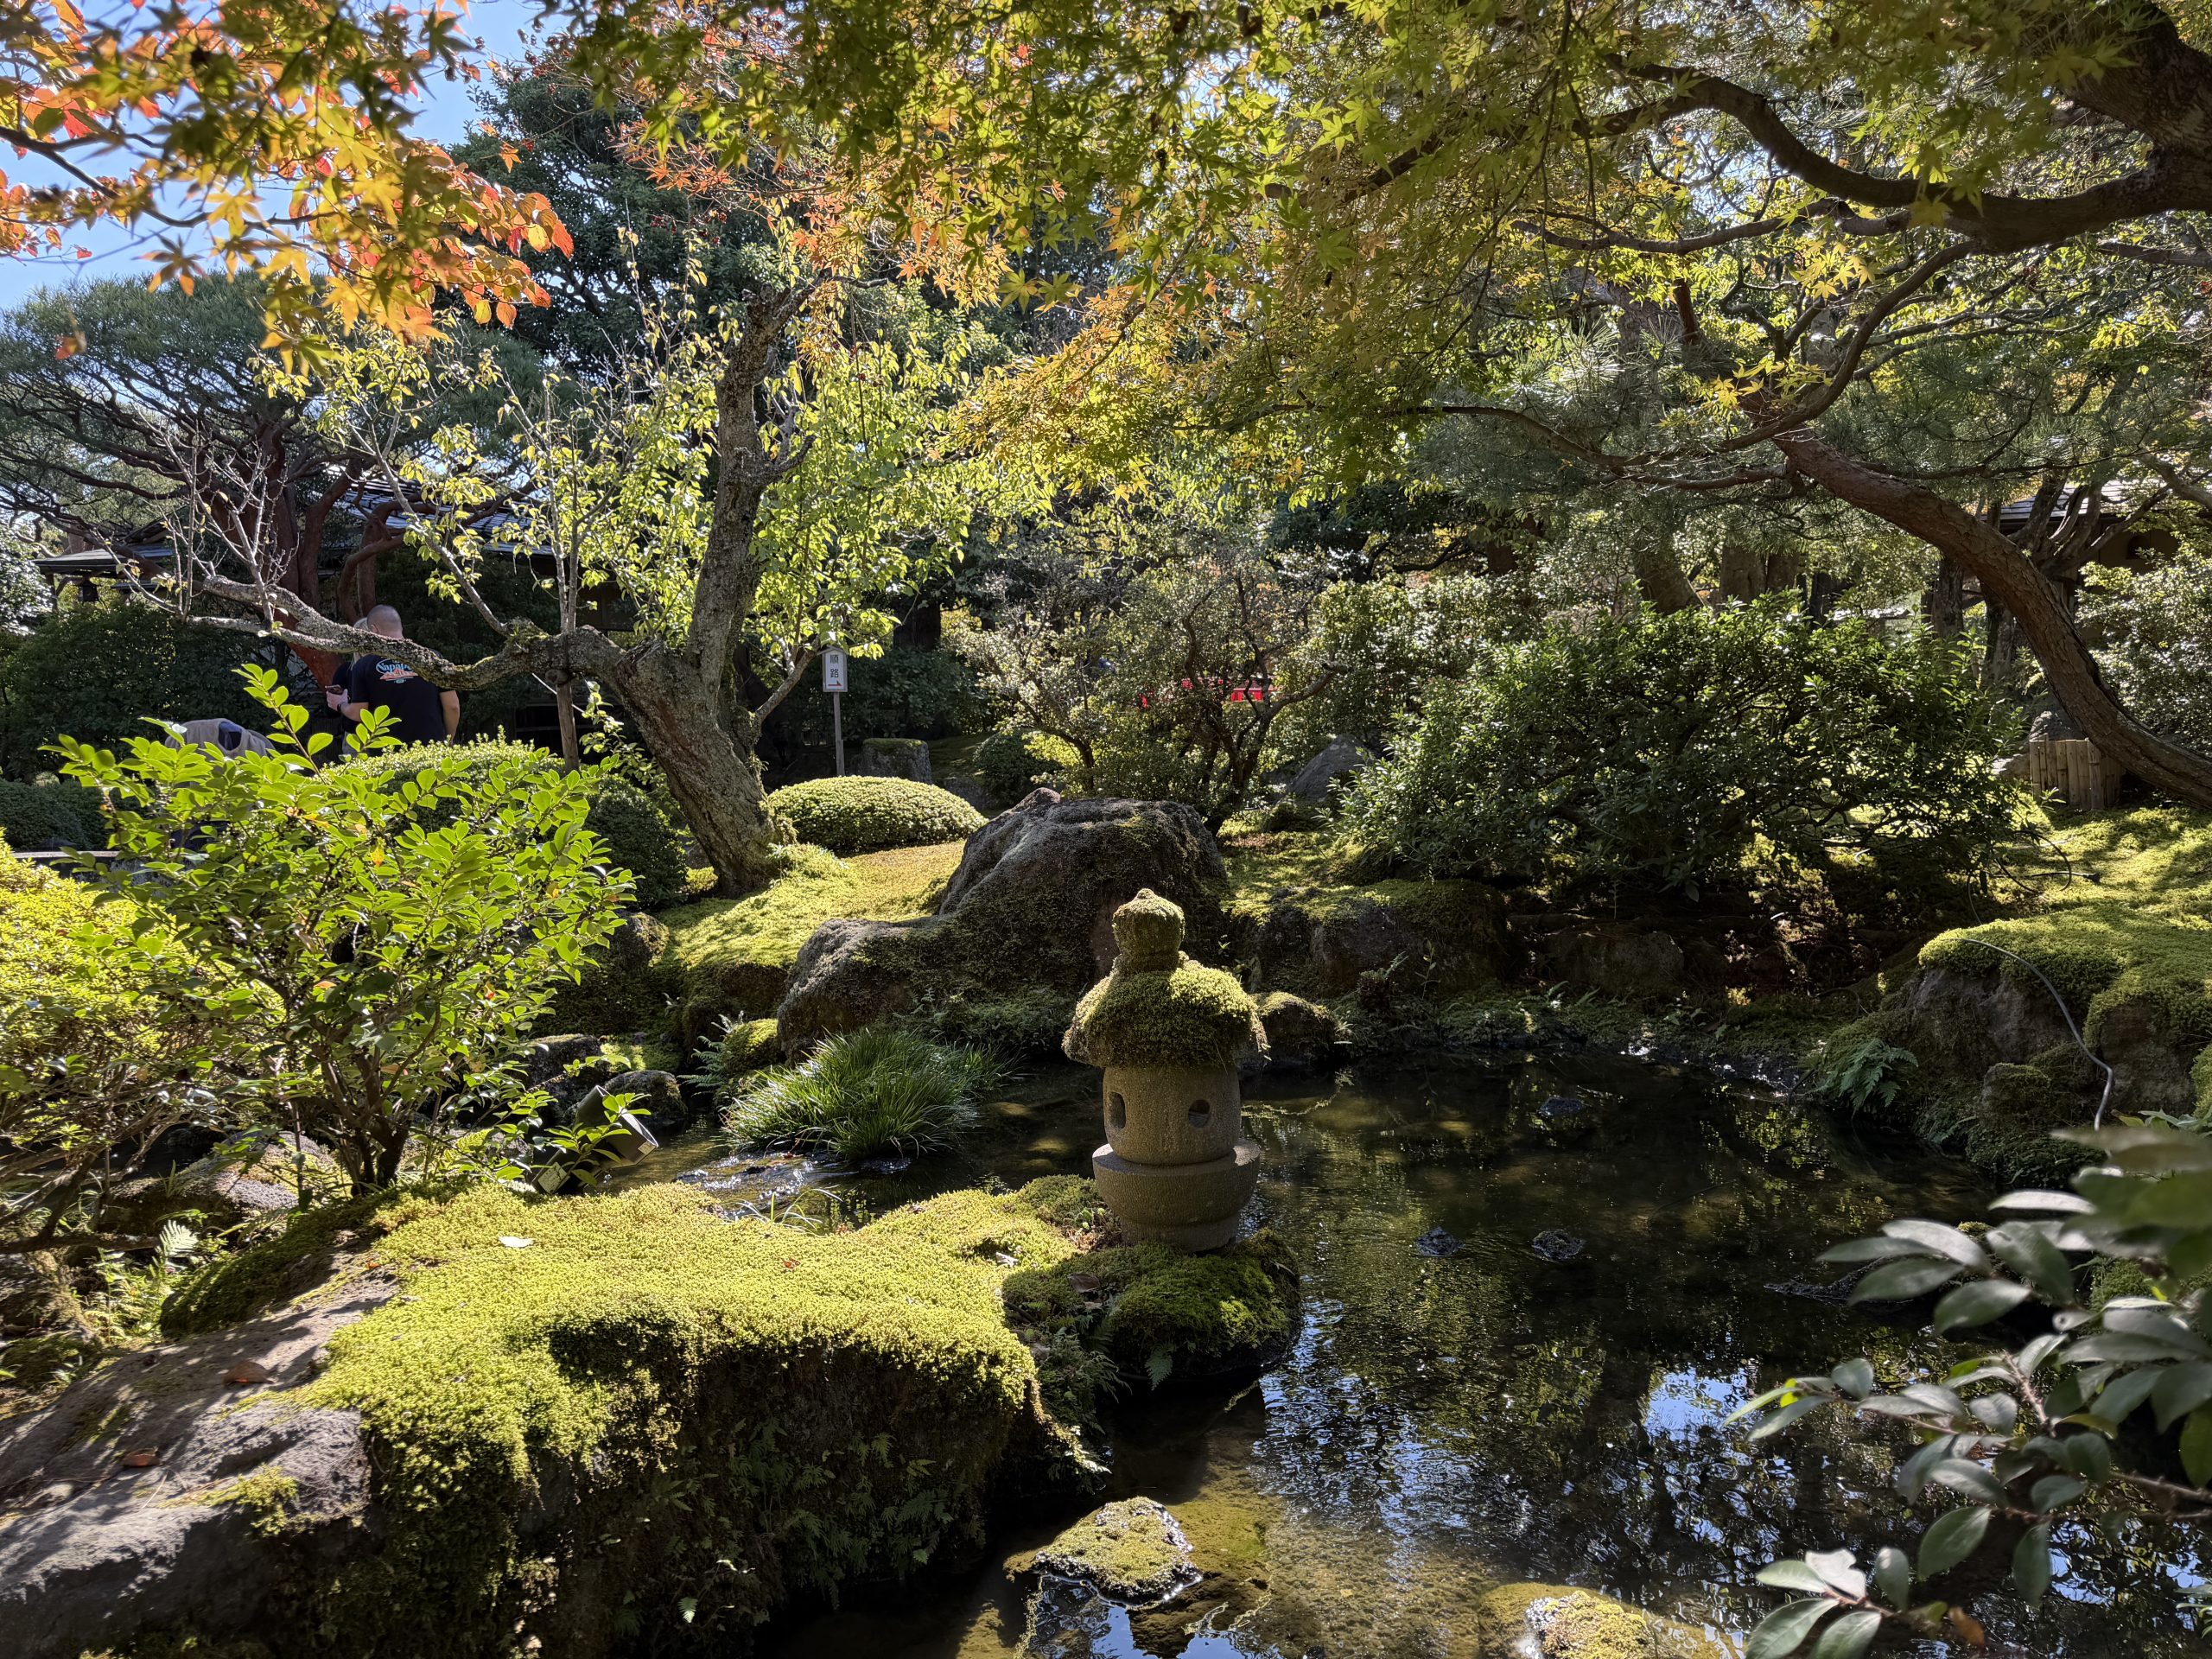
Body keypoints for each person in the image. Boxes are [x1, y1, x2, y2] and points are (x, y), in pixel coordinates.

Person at [325, 606, 459, 745]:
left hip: (386, 754)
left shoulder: (364, 665)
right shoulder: (434, 657)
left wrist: (341, 704)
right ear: (400, 627)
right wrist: (448, 739)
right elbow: (452, 706)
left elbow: (359, 713)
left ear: (374, 630)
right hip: (431, 751)